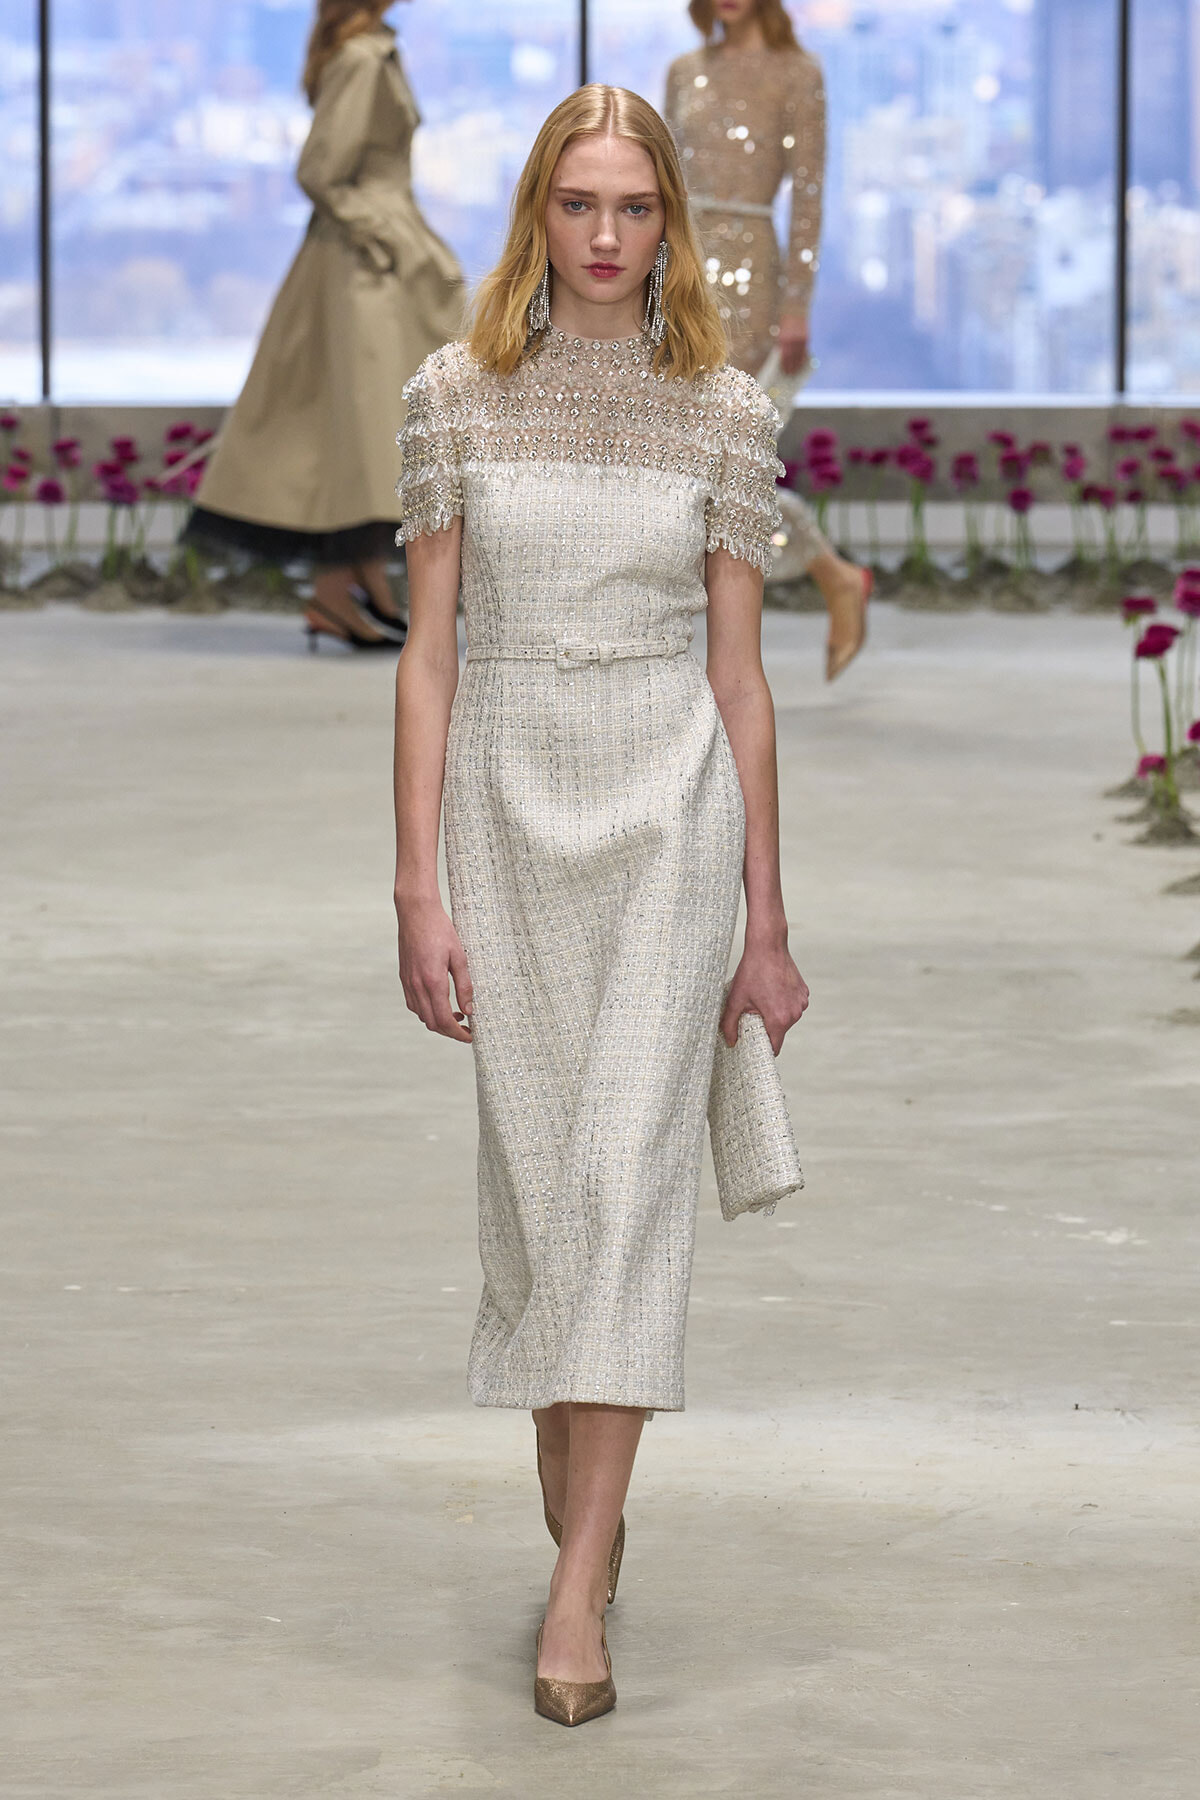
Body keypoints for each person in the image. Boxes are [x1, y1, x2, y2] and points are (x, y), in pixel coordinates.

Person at [391, 84, 809, 1725]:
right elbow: (426, 655)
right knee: (544, 1179)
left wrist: (765, 919)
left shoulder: (723, 406)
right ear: (537, 215)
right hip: (506, 794)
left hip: (670, 802)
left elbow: (745, 676)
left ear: (673, 220)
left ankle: (579, 1587)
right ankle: (583, 1491)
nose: (612, 237)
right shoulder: (453, 398)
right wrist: (414, 886)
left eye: (637, 207)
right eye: (582, 206)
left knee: (629, 1174)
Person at [183, 0, 463, 650]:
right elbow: (318, 169)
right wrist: (382, 234)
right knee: (372, 424)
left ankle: (355, 587)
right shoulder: (365, 56)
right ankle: (344, 592)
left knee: (361, 427)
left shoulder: (364, 47)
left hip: (365, 255)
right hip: (366, 264)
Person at [665, 0, 872, 681]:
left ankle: (830, 573)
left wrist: (796, 306)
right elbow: (661, 189)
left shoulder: (799, 73)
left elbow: (809, 197)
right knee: (687, 458)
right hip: (677, 273)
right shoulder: (684, 70)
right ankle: (831, 574)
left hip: (753, 276)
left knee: (726, 455)